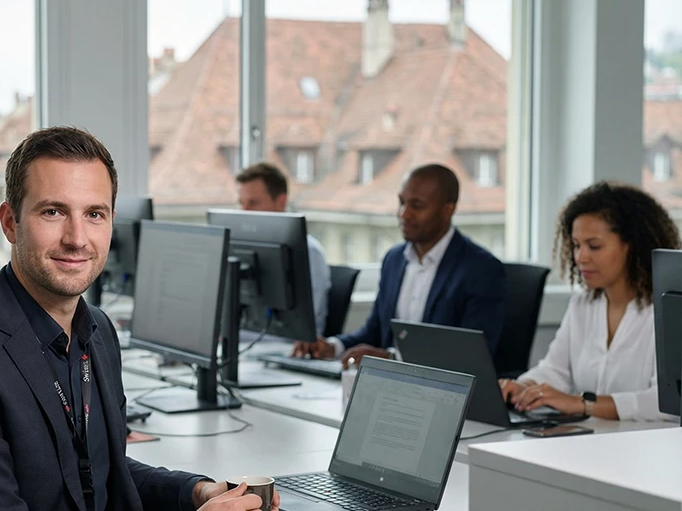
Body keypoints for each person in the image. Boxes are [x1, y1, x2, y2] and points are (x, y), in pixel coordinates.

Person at [0, 126, 279, 511]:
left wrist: (195, 492)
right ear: (10, 223)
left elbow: (101, 474)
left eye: (94, 214)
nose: (77, 238)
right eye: (53, 212)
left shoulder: (97, 332)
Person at [293, 164, 506, 369]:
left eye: (417, 205)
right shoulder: (394, 260)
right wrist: (332, 346)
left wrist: (392, 358)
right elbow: (374, 331)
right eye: (402, 202)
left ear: (448, 209)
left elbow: (470, 355)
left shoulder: (481, 270)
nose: (404, 213)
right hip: (390, 388)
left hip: (444, 396)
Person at [500, 182, 680, 421]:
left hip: (644, 448)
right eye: (576, 245)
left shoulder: (668, 311)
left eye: (594, 246)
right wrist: (526, 387)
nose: (581, 257)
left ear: (633, 246)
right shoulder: (582, 304)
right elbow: (555, 370)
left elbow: (665, 402)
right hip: (589, 441)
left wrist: (581, 404)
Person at [236, 162, 331, 336]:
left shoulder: (309, 253)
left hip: (283, 348)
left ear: (281, 202)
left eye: (253, 203)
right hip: (249, 346)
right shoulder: (242, 252)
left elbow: (302, 325)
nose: (244, 212)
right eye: (242, 204)